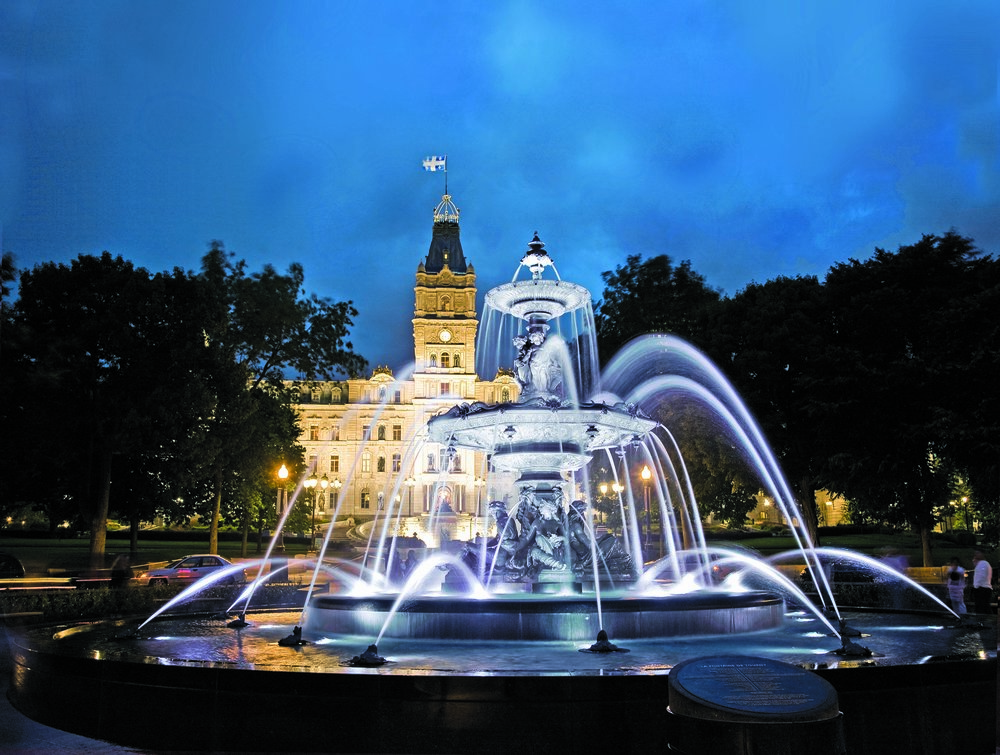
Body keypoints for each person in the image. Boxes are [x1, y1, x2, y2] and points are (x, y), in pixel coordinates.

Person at [971, 550, 993, 614]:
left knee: (982, 606)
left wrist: (976, 586)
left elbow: (981, 576)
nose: (975, 555)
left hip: (982, 588)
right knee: (982, 606)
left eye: (978, 553)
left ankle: (984, 620)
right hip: (982, 588)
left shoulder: (984, 563)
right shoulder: (981, 563)